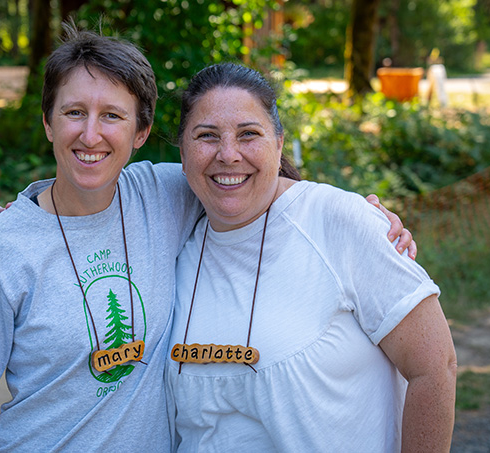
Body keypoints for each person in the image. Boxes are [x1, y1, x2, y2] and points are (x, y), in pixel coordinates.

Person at [0, 26, 415, 452]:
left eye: (112, 115)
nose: (91, 134)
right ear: (48, 122)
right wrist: (6, 225)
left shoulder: (164, 193)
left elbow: (250, 175)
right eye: (73, 112)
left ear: (141, 132)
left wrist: (359, 215)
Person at [166, 63, 457, 452]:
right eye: (207, 136)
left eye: (249, 134)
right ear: (183, 151)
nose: (228, 154)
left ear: (280, 143)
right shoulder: (177, 243)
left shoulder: (338, 221)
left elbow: (436, 368)